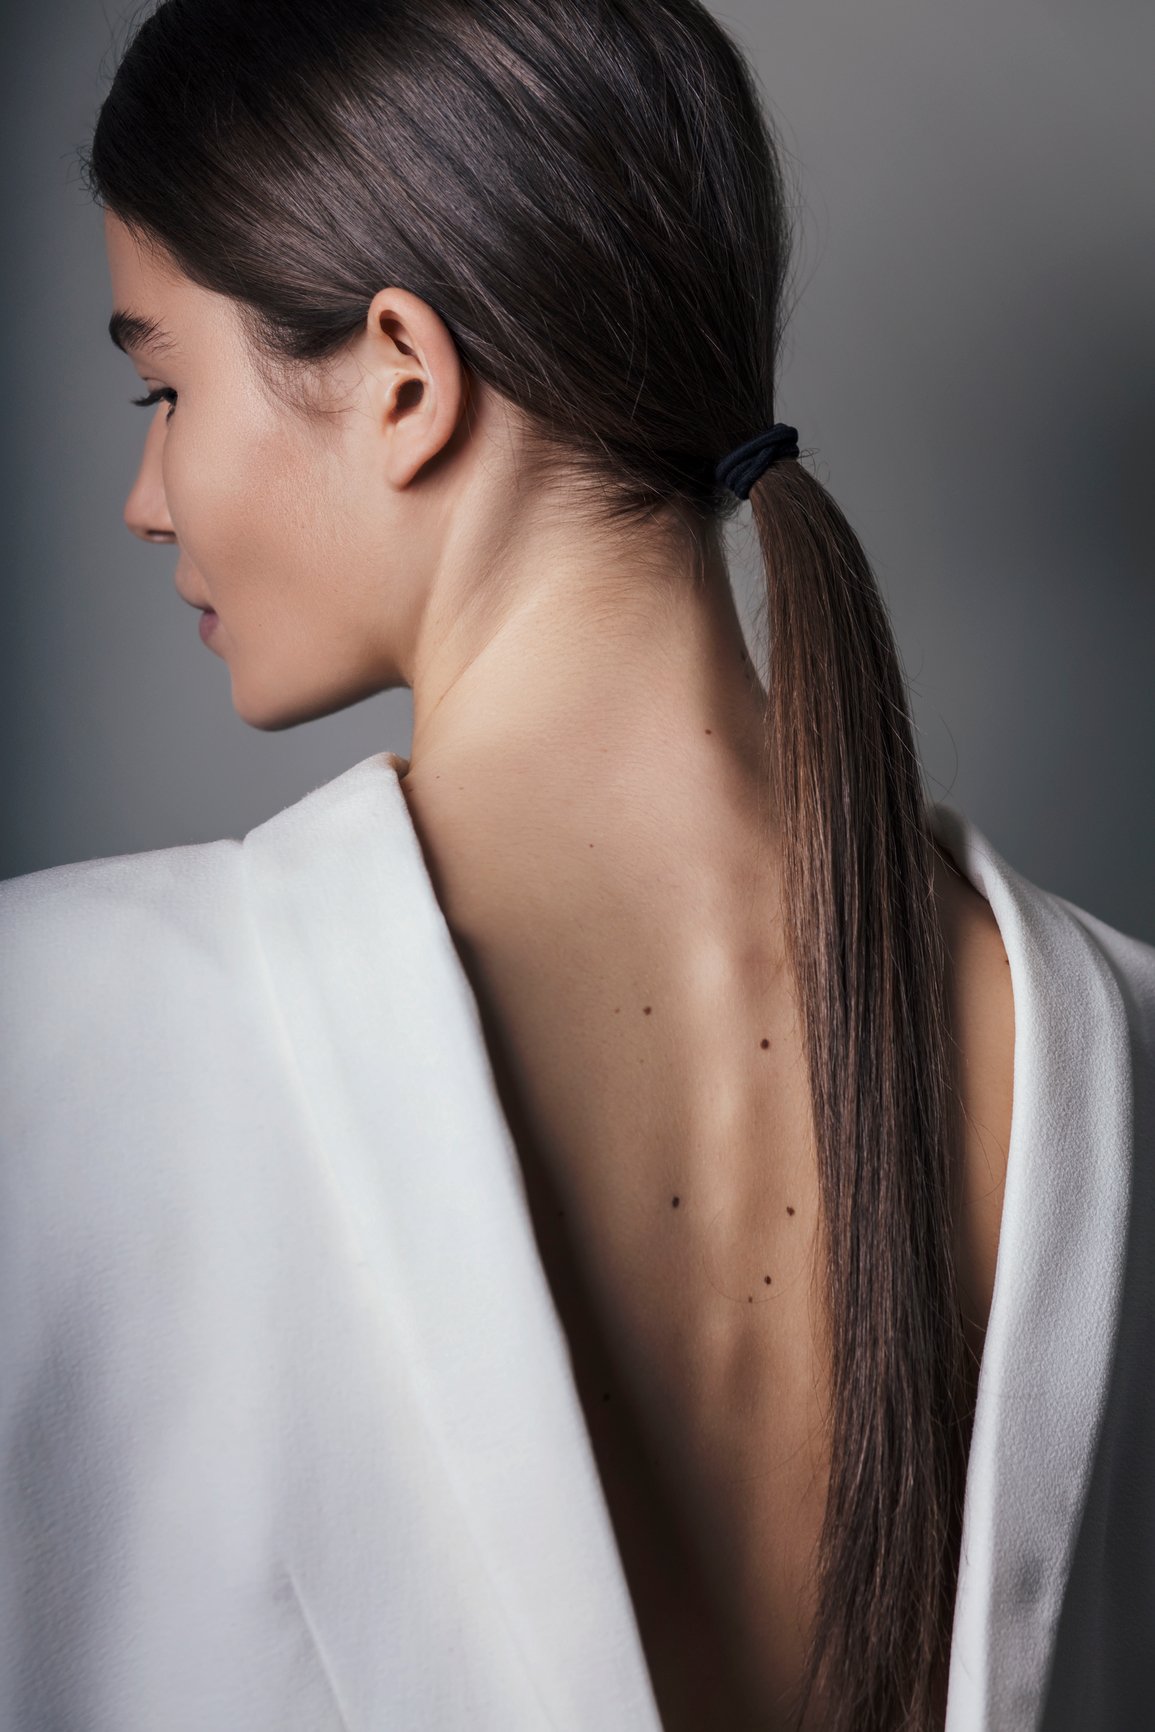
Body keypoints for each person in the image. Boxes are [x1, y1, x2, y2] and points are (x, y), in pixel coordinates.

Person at [1, 2, 1151, 1729]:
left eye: (166, 387)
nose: (144, 496)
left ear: (404, 375)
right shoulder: (1124, 1043)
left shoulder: (63, 1040)